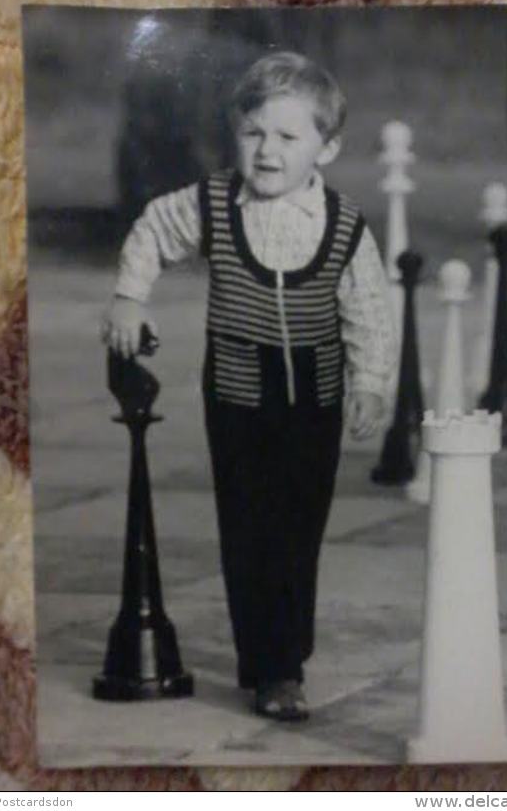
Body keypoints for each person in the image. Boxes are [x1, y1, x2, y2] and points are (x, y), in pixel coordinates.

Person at [103, 51, 397, 721]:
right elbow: (152, 229)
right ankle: (273, 669)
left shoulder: (346, 227)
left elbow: (370, 310)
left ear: (326, 148)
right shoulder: (211, 204)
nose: (266, 151)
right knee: (248, 528)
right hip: (236, 396)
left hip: (315, 399)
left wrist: (373, 383)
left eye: (289, 138)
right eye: (254, 132)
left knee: (299, 530)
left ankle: (287, 654)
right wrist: (128, 298)